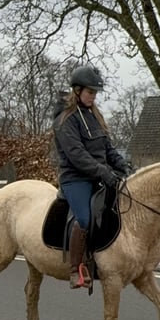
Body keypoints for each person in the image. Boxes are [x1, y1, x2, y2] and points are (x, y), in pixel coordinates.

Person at [52, 65, 132, 289]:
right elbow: (77, 155)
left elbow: (107, 147)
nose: (93, 97)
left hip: (98, 175)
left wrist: (121, 165)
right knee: (85, 219)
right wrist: (104, 171)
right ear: (77, 90)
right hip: (75, 179)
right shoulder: (65, 120)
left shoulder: (93, 115)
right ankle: (75, 269)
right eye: (90, 92)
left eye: (95, 93)